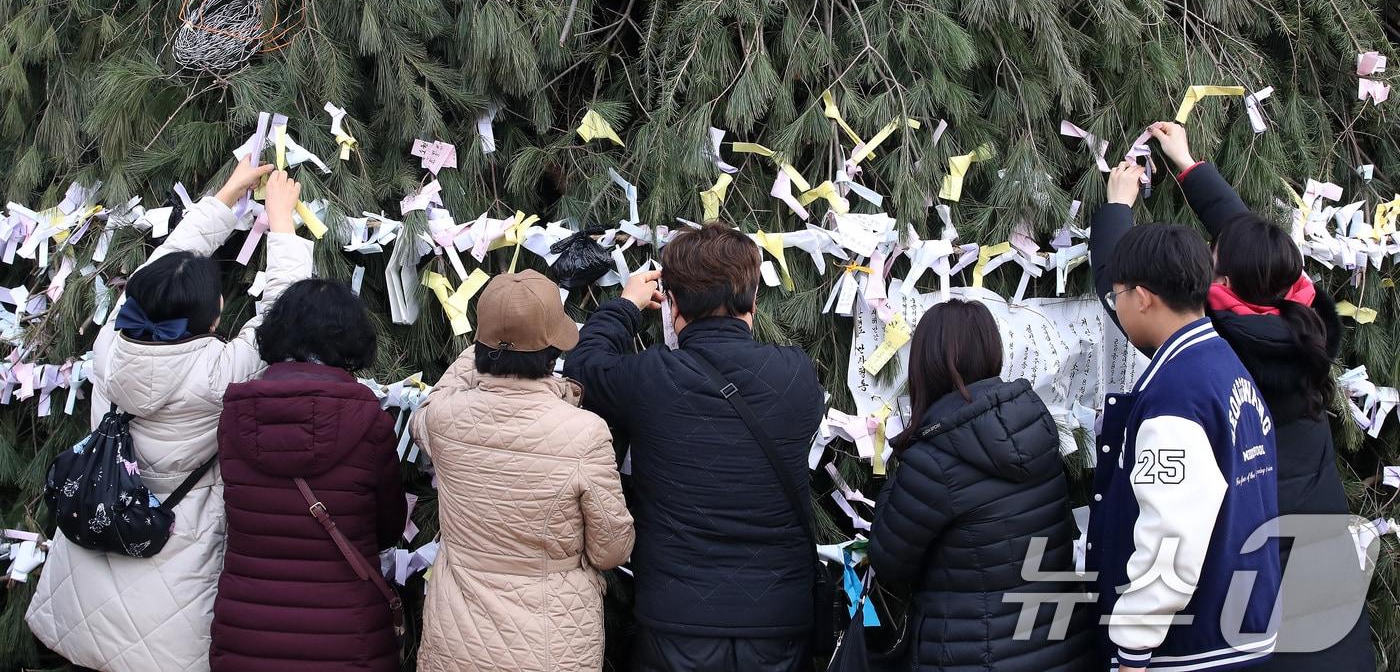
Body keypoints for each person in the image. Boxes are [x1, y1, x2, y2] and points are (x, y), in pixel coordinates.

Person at [27, 160, 312, 672]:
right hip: (169, 589)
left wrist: (225, 194)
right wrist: (283, 222)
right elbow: (282, 315)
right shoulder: (218, 374)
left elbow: (160, 268)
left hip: (83, 587)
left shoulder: (111, 342)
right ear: (216, 315)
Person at [1146, 121, 1375, 669]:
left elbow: (1132, 303)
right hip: (1326, 564)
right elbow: (1251, 243)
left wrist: (1116, 210)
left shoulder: (1219, 346)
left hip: (1262, 562)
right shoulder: (1308, 321)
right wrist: (1189, 164)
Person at [565, 223, 825, 672]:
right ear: (753, 298)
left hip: (676, 620)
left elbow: (583, 368)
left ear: (674, 303)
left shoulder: (651, 378)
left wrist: (626, 306)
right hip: (778, 619)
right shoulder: (797, 375)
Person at [1089, 185, 1281, 672]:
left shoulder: (1176, 394)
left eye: (1118, 296)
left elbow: (1169, 537)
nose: (1119, 309)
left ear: (1144, 298)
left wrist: (1133, 648)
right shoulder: (1226, 367)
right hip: (1243, 629)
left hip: (1192, 650)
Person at [410, 269, 634, 672]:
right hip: (553, 639)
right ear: (552, 349)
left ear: (479, 344)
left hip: (458, 637)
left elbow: (435, 399)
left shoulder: (443, 418)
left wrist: (494, 339)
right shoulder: (583, 432)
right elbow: (611, 550)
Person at [868, 298, 1096, 672]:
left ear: (926, 364)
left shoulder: (933, 458)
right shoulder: (1036, 423)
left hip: (974, 654)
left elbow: (889, 559)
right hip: (1060, 647)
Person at [209, 279, 406, 671]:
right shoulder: (367, 419)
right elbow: (388, 525)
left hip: (249, 628)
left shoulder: (235, 416)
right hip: (348, 632)